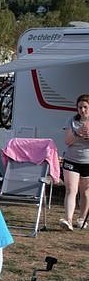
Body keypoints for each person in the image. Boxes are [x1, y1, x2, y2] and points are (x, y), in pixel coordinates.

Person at [59, 93, 89, 231]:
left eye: (85, 107)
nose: (82, 110)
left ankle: (82, 218)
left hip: (87, 162)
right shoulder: (71, 121)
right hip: (72, 159)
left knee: (86, 192)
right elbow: (67, 141)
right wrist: (78, 134)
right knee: (71, 190)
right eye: (80, 107)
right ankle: (68, 220)